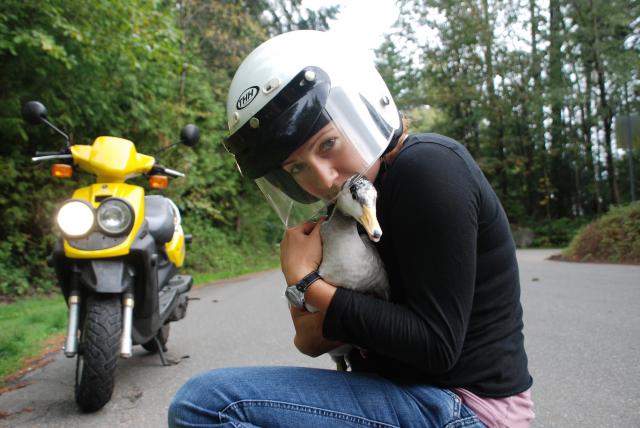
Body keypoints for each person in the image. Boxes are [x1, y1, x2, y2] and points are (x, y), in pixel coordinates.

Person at [168, 30, 534, 427]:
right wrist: (317, 294)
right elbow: (308, 341)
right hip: (404, 393)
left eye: (327, 144)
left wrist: (308, 283)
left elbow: (436, 347)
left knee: (208, 405)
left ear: (360, 110)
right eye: (296, 168)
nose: (323, 178)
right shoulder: (338, 217)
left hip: (467, 405)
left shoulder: (428, 170)